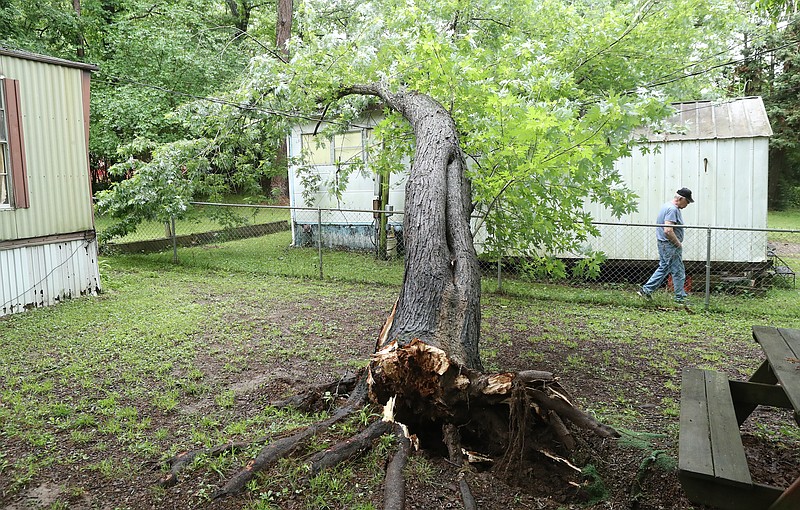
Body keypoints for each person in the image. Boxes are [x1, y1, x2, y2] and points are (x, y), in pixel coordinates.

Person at [637, 188, 694, 304]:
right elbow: (668, 230)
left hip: (664, 244)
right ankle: (679, 298)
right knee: (677, 271)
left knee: (665, 268)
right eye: (687, 202)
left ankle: (646, 290)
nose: (687, 205)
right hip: (670, 245)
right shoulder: (672, 209)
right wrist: (678, 243)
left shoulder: (666, 206)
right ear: (680, 199)